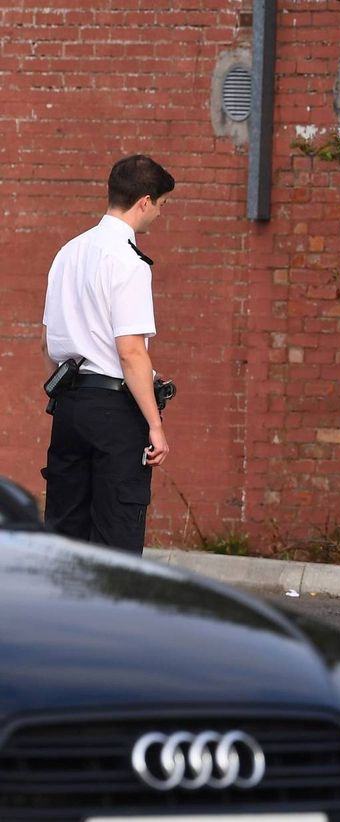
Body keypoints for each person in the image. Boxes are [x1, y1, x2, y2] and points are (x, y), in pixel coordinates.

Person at [41, 154, 175, 555]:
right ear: (145, 202)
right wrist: (155, 423)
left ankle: (62, 618)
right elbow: (131, 352)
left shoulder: (68, 252)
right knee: (116, 539)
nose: (158, 216)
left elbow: (47, 342)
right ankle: (110, 620)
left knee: (66, 533)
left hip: (68, 406)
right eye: (161, 206)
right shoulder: (129, 263)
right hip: (114, 413)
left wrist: (68, 394)